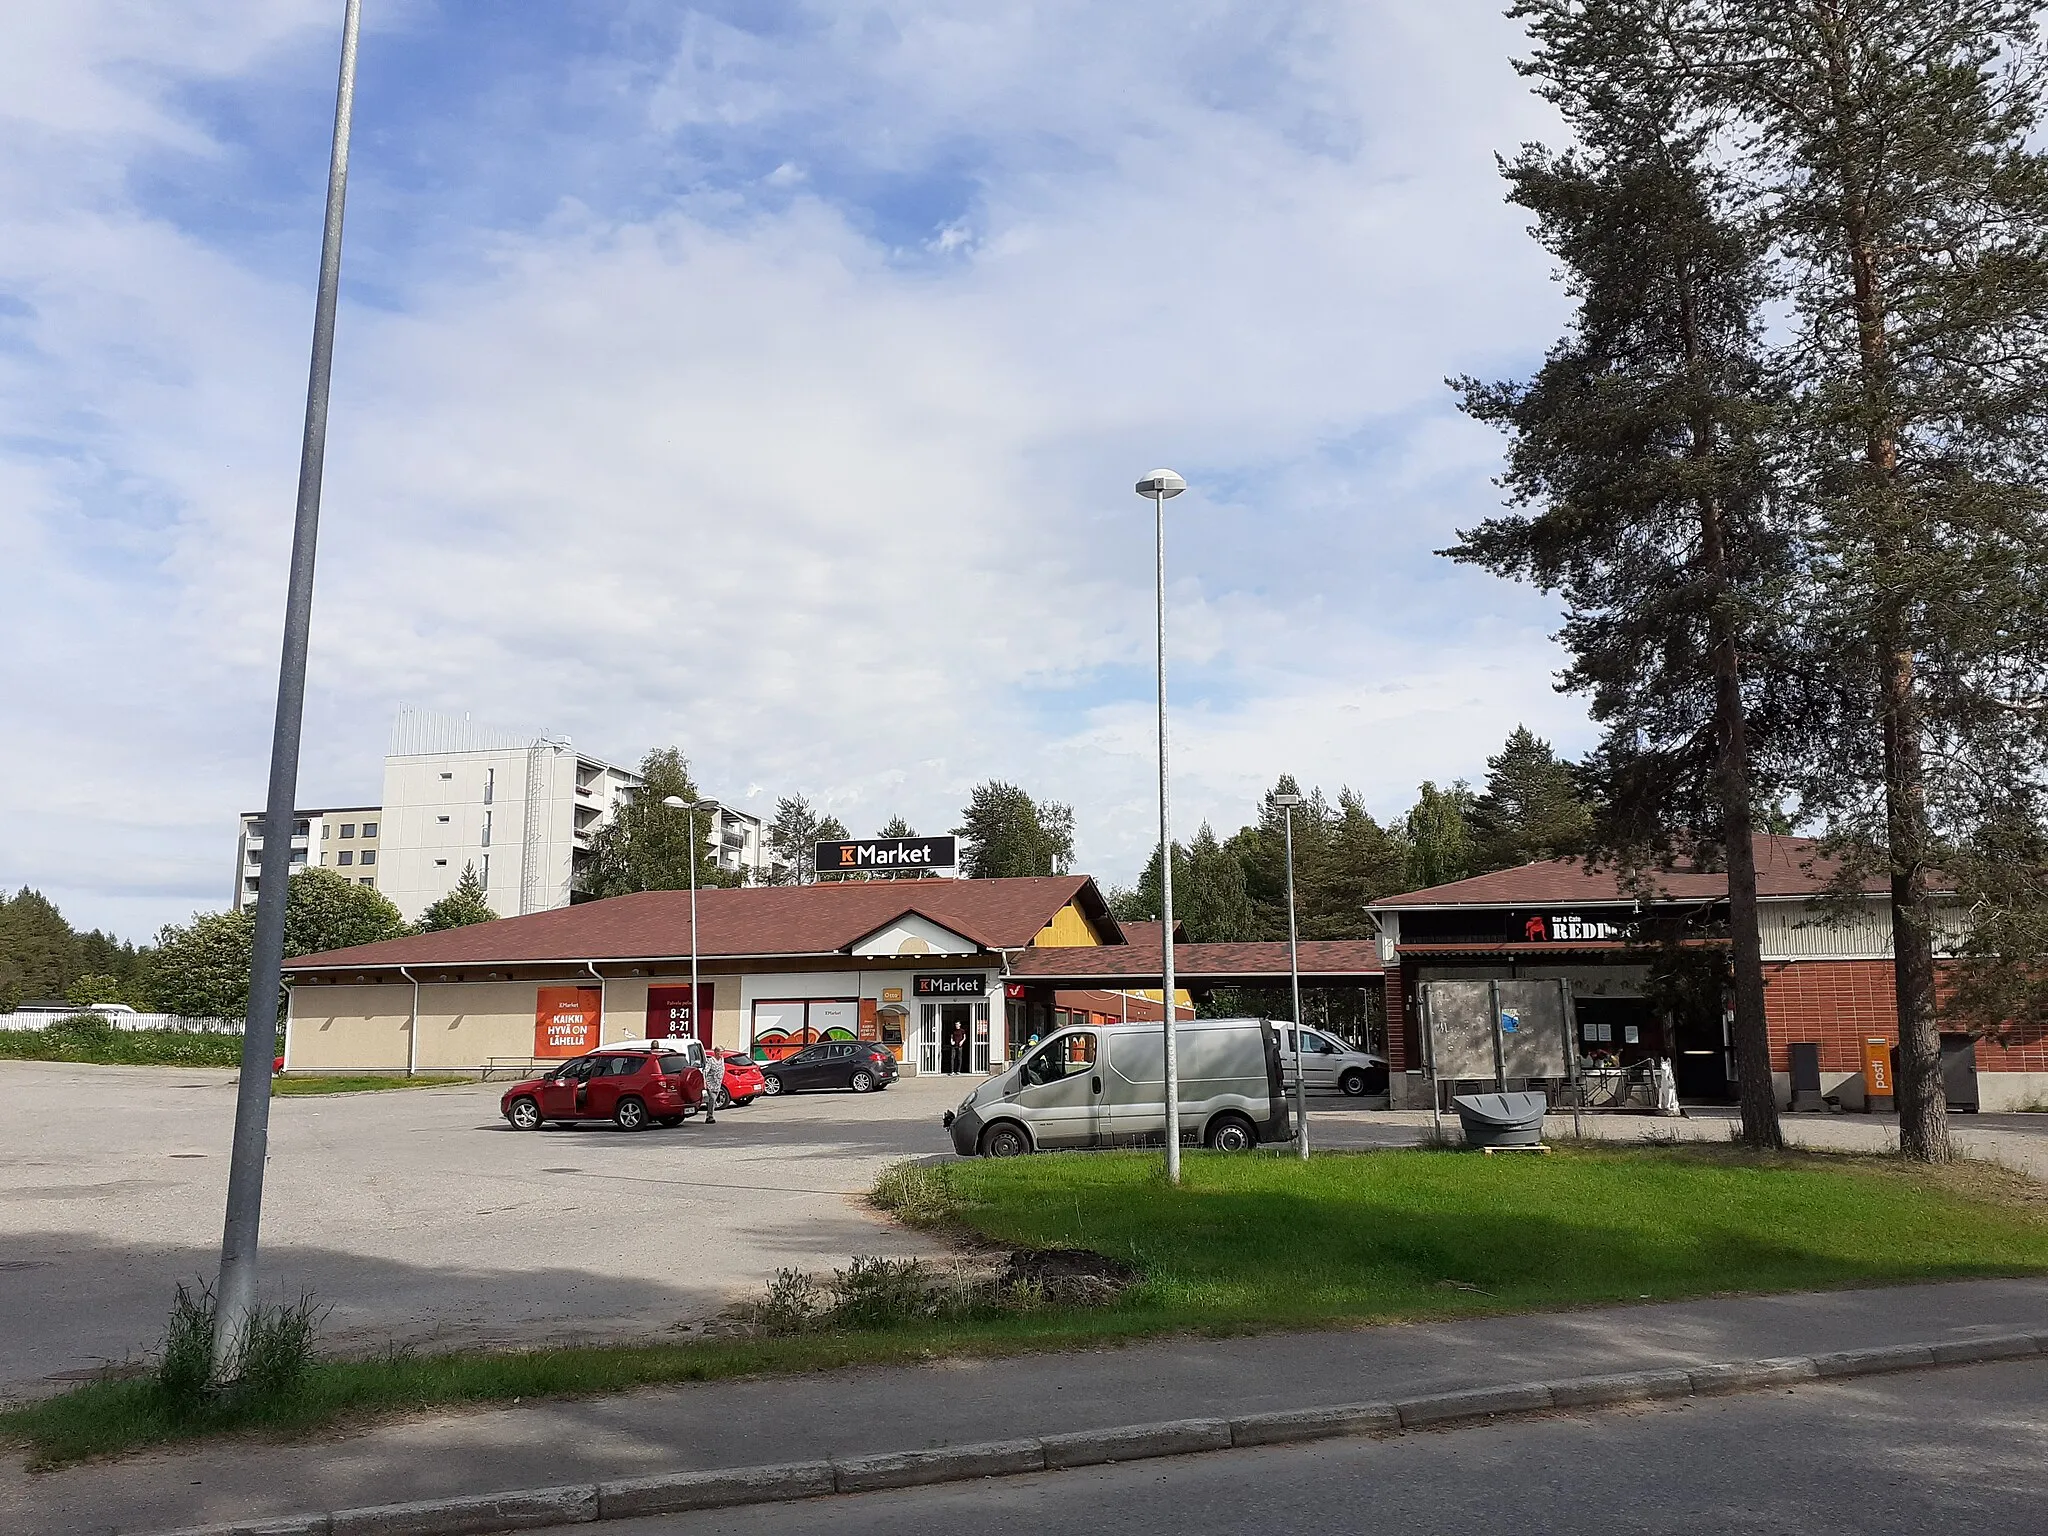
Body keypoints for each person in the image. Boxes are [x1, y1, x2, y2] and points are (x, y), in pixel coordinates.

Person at [700, 1042, 725, 1124]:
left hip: (718, 1084)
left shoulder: (722, 1060)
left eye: (722, 1052)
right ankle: (709, 1116)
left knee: (713, 1101)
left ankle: (710, 1115)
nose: (721, 1054)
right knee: (712, 1099)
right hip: (711, 1083)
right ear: (716, 1052)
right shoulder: (710, 1061)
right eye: (720, 1052)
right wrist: (704, 1083)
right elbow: (705, 1072)